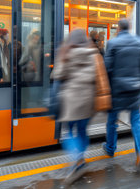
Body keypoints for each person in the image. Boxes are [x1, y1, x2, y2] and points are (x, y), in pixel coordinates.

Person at [51, 29, 98, 178]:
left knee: (69, 133)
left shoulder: (66, 53)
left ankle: (77, 160)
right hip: (88, 100)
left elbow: (57, 75)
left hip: (71, 101)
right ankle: (81, 158)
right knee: (83, 130)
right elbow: (95, 76)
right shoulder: (92, 54)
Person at [102, 19, 140, 168]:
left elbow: (107, 68)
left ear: (118, 29)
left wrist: (108, 88)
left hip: (117, 89)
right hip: (135, 88)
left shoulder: (112, 43)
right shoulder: (139, 41)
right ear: (130, 28)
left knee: (112, 121)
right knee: (136, 120)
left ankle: (110, 149)